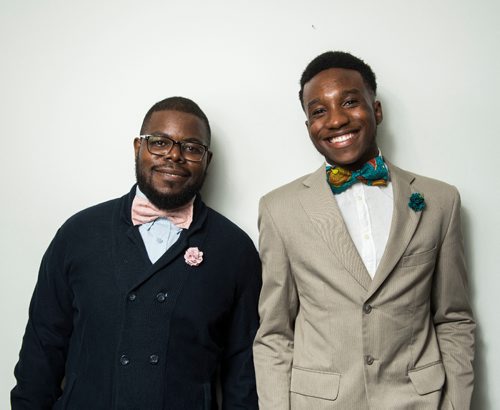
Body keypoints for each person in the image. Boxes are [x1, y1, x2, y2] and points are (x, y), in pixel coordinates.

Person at [253, 51, 475, 409]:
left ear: (377, 110)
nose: (336, 120)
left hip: (419, 401)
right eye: (319, 111)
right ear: (308, 124)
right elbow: (275, 334)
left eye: (350, 102)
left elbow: (453, 318)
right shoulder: (279, 209)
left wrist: (455, 405)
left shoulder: (440, 200)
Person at [12, 96, 261, 409]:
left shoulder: (234, 249)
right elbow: (42, 347)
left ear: (207, 161)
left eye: (192, 147)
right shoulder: (78, 234)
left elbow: (244, 371)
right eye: (159, 142)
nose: (174, 155)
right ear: (137, 148)